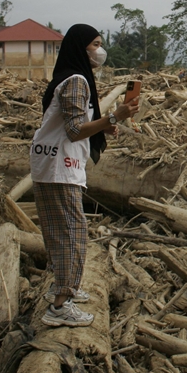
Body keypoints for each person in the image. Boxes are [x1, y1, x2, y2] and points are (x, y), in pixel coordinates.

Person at [31, 23, 139, 327]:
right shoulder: (77, 81)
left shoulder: (67, 77)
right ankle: (60, 306)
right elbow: (75, 130)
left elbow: (75, 123)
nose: (99, 50)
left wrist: (104, 125)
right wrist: (116, 115)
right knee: (72, 235)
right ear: (80, 47)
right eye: (94, 44)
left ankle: (62, 287)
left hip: (48, 163)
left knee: (58, 232)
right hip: (59, 167)